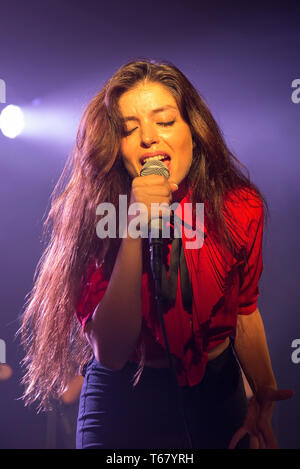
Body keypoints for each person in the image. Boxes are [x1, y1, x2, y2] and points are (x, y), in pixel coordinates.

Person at [19, 59, 293, 449]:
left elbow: (244, 310)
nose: (148, 138)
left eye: (165, 121)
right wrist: (134, 225)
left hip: (216, 394)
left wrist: (264, 391)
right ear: (116, 145)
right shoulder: (94, 212)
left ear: (193, 131)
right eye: (130, 129)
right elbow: (111, 352)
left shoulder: (239, 206)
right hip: (124, 400)